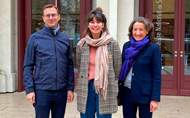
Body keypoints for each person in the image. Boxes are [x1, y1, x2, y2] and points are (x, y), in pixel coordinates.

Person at [23, 4, 74, 118]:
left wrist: (70, 88)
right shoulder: (35, 38)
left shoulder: (65, 39)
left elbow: (69, 65)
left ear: (59, 17)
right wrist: (29, 89)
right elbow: (28, 65)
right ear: (43, 18)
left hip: (61, 91)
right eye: (48, 15)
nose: (51, 18)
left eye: (53, 15)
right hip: (42, 91)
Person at [76, 7, 122, 118]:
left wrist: (107, 80)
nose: (95, 25)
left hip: (105, 87)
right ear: (88, 25)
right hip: (86, 87)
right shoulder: (82, 44)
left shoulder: (112, 44)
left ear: (103, 25)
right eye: (92, 22)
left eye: (98, 22)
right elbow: (79, 65)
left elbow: (117, 68)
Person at [118, 17, 161, 118]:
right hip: (127, 92)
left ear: (147, 31)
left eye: (141, 29)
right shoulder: (126, 46)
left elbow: (157, 76)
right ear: (131, 31)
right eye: (135, 29)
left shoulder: (154, 49)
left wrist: (155, 99)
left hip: (145, 94)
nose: (137, 32)